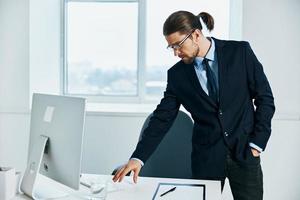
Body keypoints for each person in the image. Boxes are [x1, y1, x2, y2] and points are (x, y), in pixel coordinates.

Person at [113, 10, 275, 200]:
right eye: (171, 47)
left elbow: (265, 98)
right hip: (206, 158)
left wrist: (257, 143)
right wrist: (137, 158)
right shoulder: (177, 75)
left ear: (196, 34)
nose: (175, 53)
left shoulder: (240, 52)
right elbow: (162, 118)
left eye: (178, 45)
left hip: (245, 152)